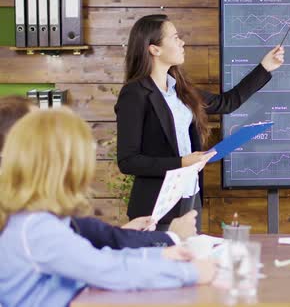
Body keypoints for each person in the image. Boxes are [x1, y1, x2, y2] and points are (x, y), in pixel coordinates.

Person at [0, 108, 217, 307]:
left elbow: (99, 259)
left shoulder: (32, 219)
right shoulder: (37, 228)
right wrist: (191, 273)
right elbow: (107, 270)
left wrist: (161, 257)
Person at [116, 14, 285, 229]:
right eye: (175, 38)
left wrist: (265, 67)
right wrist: (181, 163)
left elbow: (227, 102)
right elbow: (128, 161)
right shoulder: (135, 94)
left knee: (188, 259)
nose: (182, 42)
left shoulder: (181, 89)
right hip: (156, 206)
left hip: (190, 196)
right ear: (154, 49)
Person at [0, 95, 195, 249]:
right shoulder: (29, 217)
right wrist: (172, 237)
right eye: (39, 128)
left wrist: (128, 232)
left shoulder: (34, 199)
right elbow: (98, 263)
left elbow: (87, 237)